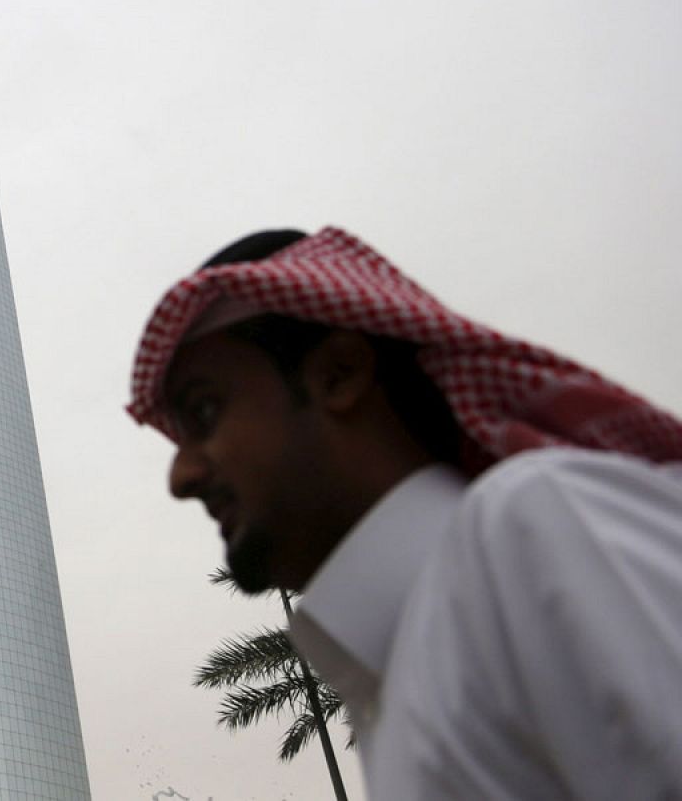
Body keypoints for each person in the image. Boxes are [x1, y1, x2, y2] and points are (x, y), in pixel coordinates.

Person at [125, 226, 682, 799]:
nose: (182, 477)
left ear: (338, 374)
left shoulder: (532, 524)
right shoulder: (395, 679)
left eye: (206, 411)